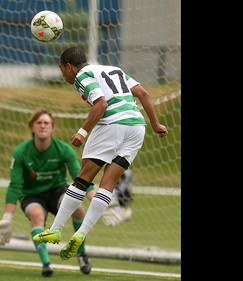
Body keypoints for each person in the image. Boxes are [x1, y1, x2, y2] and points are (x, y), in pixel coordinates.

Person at [33, 46, 168, 261]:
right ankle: (81, 234)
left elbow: (101, 103)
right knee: (109, 183)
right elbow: (143, 93)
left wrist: (82, 132)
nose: (63, 75)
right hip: (136, 127)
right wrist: (155, 123)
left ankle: (56, 229)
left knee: (83, 179)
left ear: (69, 66)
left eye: (62, 70)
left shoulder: (81, 76)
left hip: (112, 124)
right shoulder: (115, 69)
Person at [0, 108, 96, 277]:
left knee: (77, 208)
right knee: (36, 215)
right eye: (38, 123)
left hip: (57, 190)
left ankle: (81, 254)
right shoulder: (20, 152)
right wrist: (7, 217)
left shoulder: (63, 149)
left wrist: (95, 199)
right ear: (32, 127)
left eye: (46, 123)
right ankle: (46, 264)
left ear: (52, 127)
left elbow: (81, 176)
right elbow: (15, 185)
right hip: (32, 194)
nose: (42, 126)